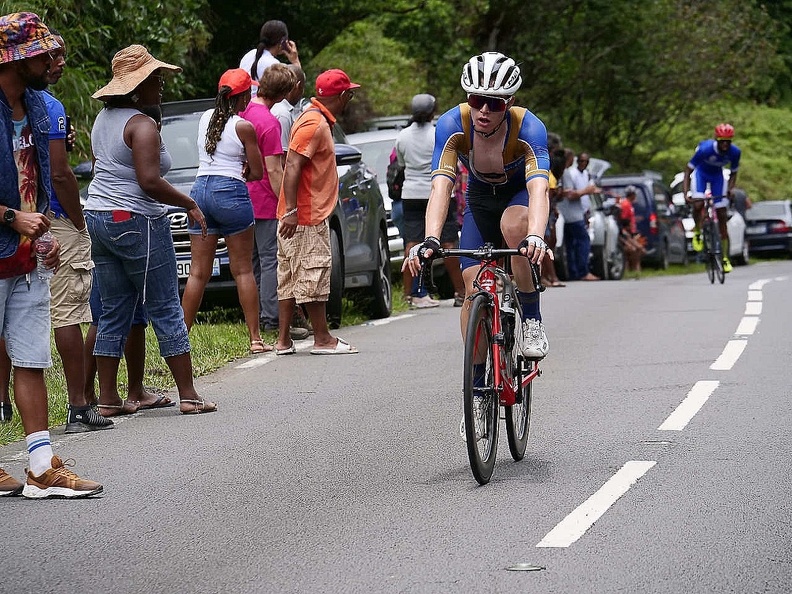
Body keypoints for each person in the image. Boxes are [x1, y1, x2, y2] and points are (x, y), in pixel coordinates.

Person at [0, 11, 102, 497]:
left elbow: (42, 177)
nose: (51, 59)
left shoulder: (40, 107)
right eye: (42, 52)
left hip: (26, 257)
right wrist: (10, 219)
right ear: (18, 59)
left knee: (31, 359)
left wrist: (40, 230)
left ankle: (41, 468)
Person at [86, 44, 216, 415]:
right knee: (164, 305)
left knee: (113, 309)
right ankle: (189, 394)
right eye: (155, 79)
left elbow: (106, 168)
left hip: (99, 216)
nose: (161, 86)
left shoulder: (103, 119)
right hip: (136, 220)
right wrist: (188, 203)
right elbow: (149, 181)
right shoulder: (141, 125)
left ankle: (109, 398)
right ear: (136, 86)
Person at [404, 51, 551, 360]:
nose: (484, 110)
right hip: (480, 199)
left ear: (509, 103)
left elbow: (539, 189)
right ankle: (478, 389)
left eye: (495, 103)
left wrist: (536, 235)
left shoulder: (529, 127)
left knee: (516, 229)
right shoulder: (452, 124)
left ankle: (532, 318)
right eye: (476, 99)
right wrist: (431, 238)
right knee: (473, 291)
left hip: (517, 197)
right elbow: (441, 186)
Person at [180, 68, 270, 354]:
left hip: (199, 192)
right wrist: (244, 166)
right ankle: (255, 339)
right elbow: (257, 172)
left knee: (197, 273)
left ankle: (180, 340)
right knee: (243, 269)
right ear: (243, 97)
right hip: (229, 192)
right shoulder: (244, 127)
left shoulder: (204, 118)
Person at [274, 68, 361, 356]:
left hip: (294, 214)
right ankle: (322, 339)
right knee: (314, 273)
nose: (350, 96)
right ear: (342, 95)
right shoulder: (315, 123)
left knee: (289, 277)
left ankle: (283, 340)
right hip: (305, 215)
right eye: (349, 92)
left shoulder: (312, 118)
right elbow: (293, 166)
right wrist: (292, 211)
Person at [239, 63, 299, 336]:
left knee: (249, 263)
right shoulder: (269, 122)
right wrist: (286, 204)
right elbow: (274, 169)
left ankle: (257, 315)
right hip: (264, 200)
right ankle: (272, 318)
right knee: (270, 260)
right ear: (284, 92)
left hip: (242, 197)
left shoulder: (245, 111)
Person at [396, 93, 464, 308]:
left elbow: (400, 163)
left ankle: (408, 294)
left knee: (412, 242)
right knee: (449, 242)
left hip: (411, 194)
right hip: (438, 192)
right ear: (433, 112)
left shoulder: (402, 136)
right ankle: (460, 291)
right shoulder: (438, 134)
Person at [682, 122, 741, 273]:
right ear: (717, 140)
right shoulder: (705, 149)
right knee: (698, 205)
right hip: (700, 175)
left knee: (722, 215)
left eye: (728, 141)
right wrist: (686, 193)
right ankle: (697, 232)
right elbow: (688, 171)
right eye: (722, 141)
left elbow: (733, 173)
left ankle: (725, 258)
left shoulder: (735, 152)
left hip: (717, 177)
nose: (725, 145)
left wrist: (730, 189)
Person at [559, 151, 600, 281]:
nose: (582, 163)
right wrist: (586, 191)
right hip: (573, 215)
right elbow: (571, 195)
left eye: (585, 161)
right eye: (579, 161)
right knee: (583, 240)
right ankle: (583, 271)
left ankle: (574, 272)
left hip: (578, 212)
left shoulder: (586, 174)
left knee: (571, 244)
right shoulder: (569, 173)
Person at [239, 20, 300, 94]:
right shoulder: (275, 66)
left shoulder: (249, 55)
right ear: (282, 42)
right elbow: (295, 90)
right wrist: (295, 61)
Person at [271, 64, 307, 154]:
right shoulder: (283, 114)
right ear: (298, 86)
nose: (302, 93)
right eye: (302, 88)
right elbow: (283, 158)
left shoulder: (275, 107)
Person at [618, 185, 646, 279]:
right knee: (634, 250)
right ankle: (632, 271)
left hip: (631, 232)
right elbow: (624, 219)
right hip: (627, 233)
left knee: (638, 249)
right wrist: (629, 231)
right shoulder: (626, 205)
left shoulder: (629, 204)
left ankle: (636, 272)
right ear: (632, 195)